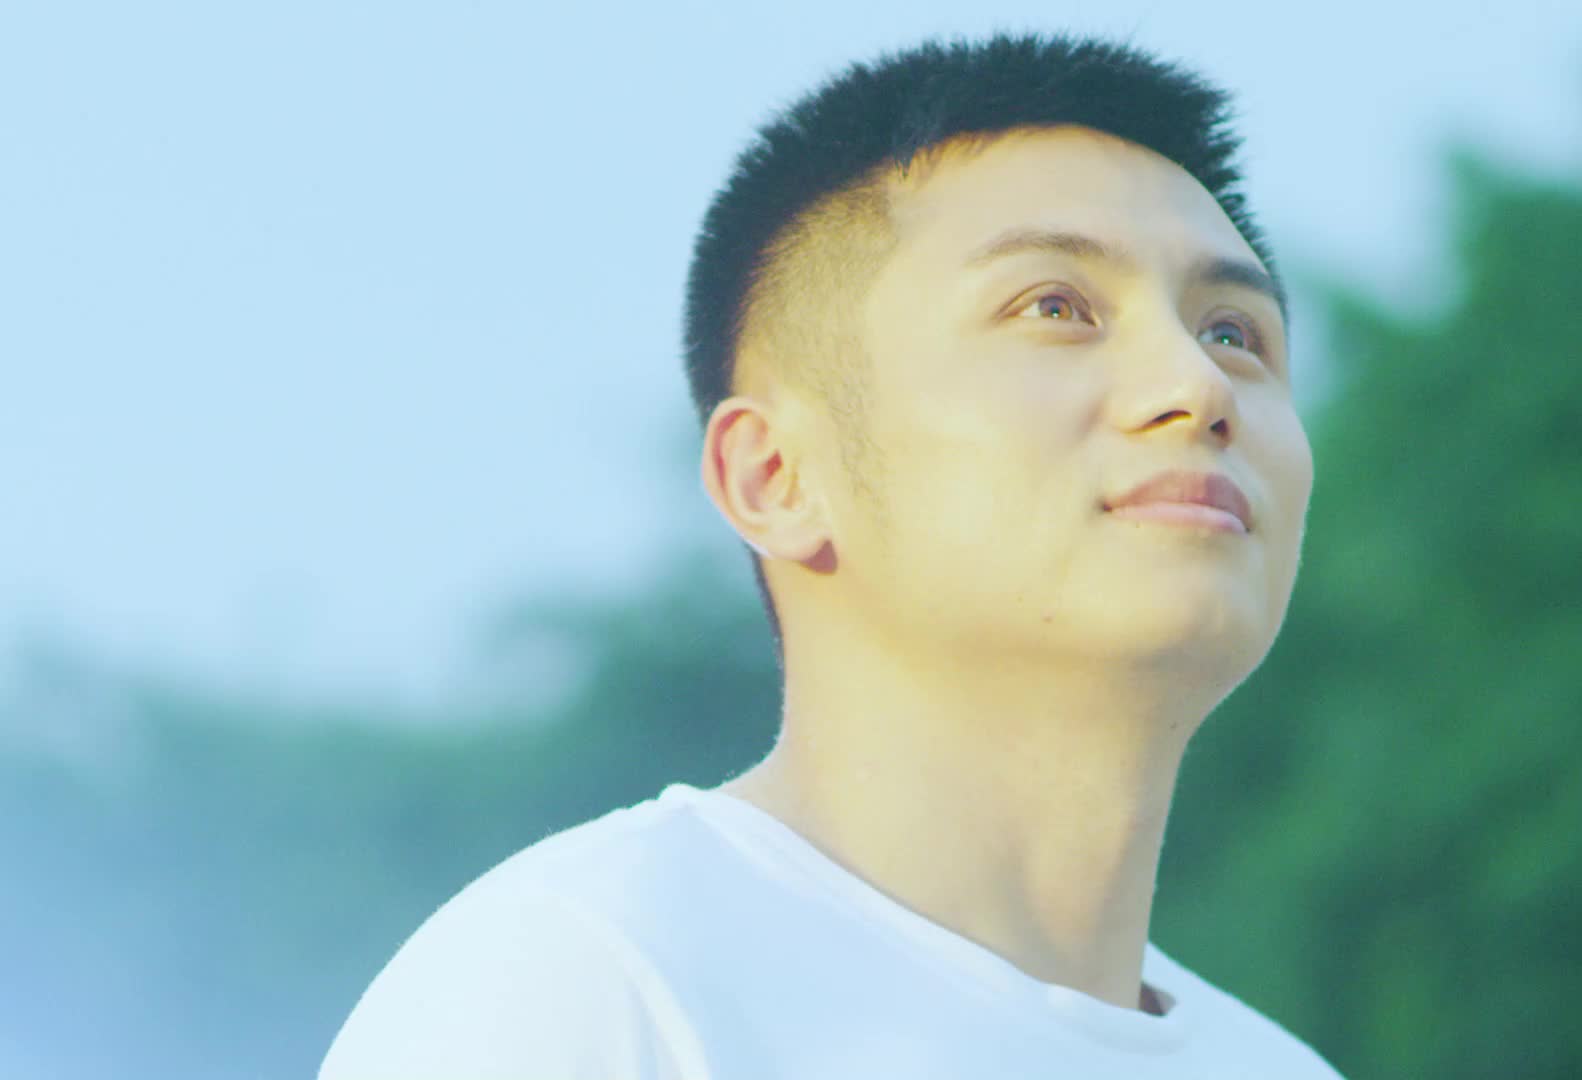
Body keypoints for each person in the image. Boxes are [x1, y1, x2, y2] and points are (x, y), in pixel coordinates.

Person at [319, 32, 1334, 1079]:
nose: (1197, 387)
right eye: (1055, 308)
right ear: (776, 477)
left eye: (1233, 333)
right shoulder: (592, 983)